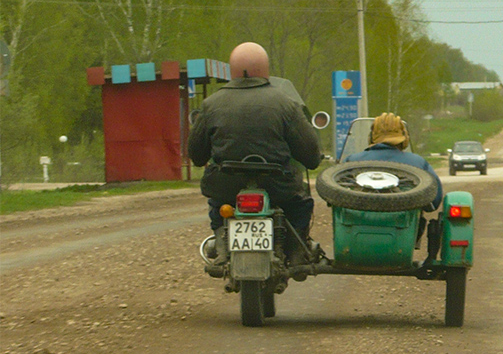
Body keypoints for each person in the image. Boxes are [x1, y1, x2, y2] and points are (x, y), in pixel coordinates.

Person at [188, 42, 322, 261]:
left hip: (227, 187)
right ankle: (297, 248)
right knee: (301, 203)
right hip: (278, 187)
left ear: (231, 71)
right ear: (266, 70)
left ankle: (222, 237)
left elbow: (196, 155)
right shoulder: (286, 104)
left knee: (217, 204)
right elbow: (311, 155)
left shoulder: (210, 105)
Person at [344, 113, 445, 266]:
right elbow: (434, 201)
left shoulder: (352, 161)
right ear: (403, 137)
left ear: (372, 136)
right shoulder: (417, 163)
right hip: (404, 233)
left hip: (353, 232)